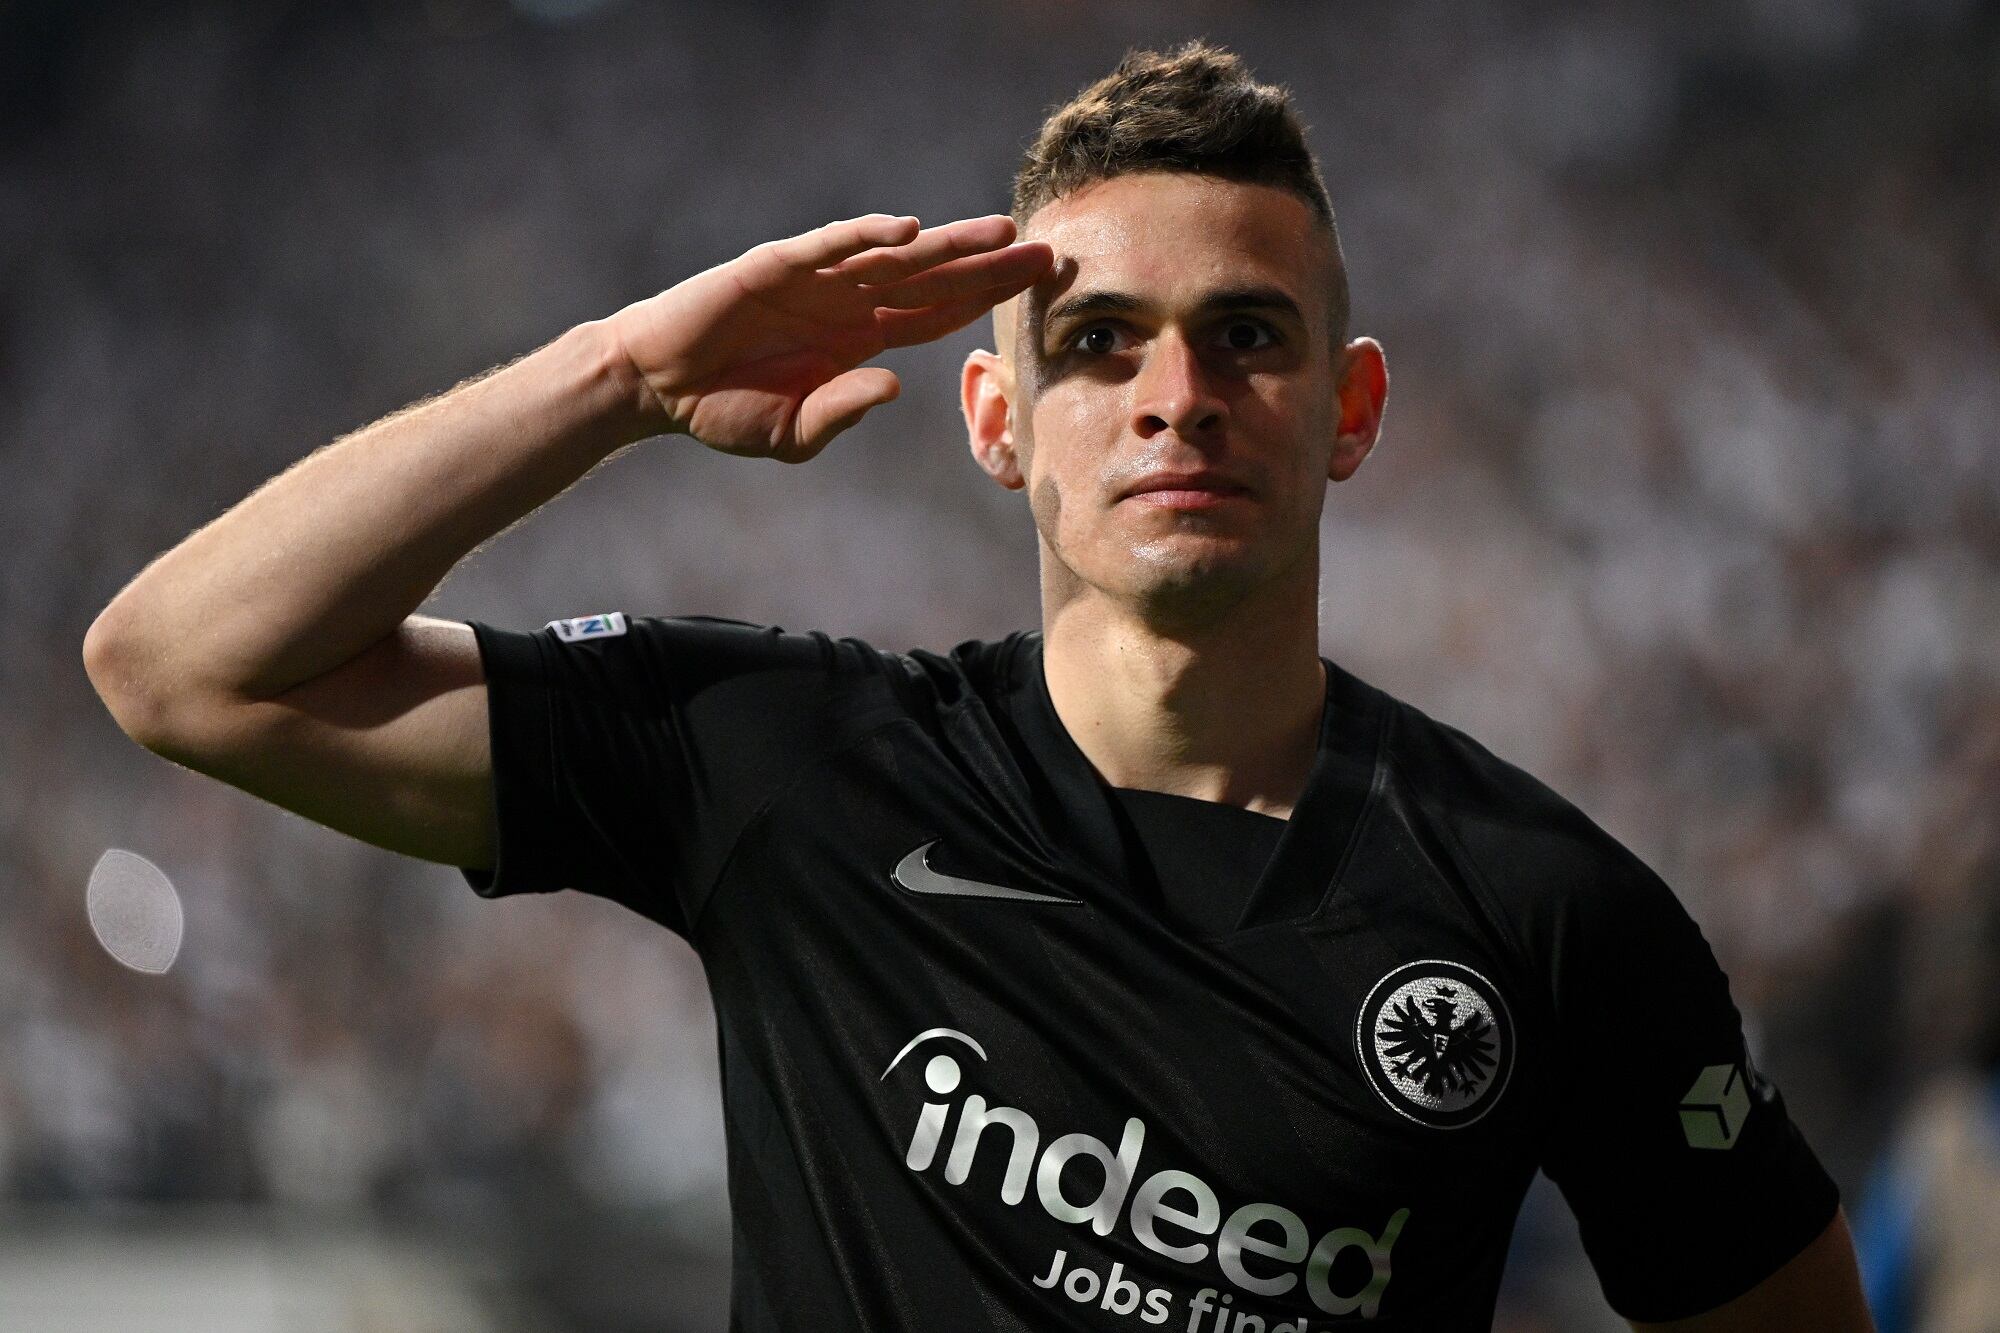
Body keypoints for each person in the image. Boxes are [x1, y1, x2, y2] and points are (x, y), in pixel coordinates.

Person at [84, 39, 1874, 1332]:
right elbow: (186, 664)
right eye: (1099, 344)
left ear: (1353, 410)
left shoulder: (1550, 912)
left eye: (1247, 334)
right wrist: (620, 373)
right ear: (998, 421)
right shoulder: (792, 767)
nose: (1177, 392)